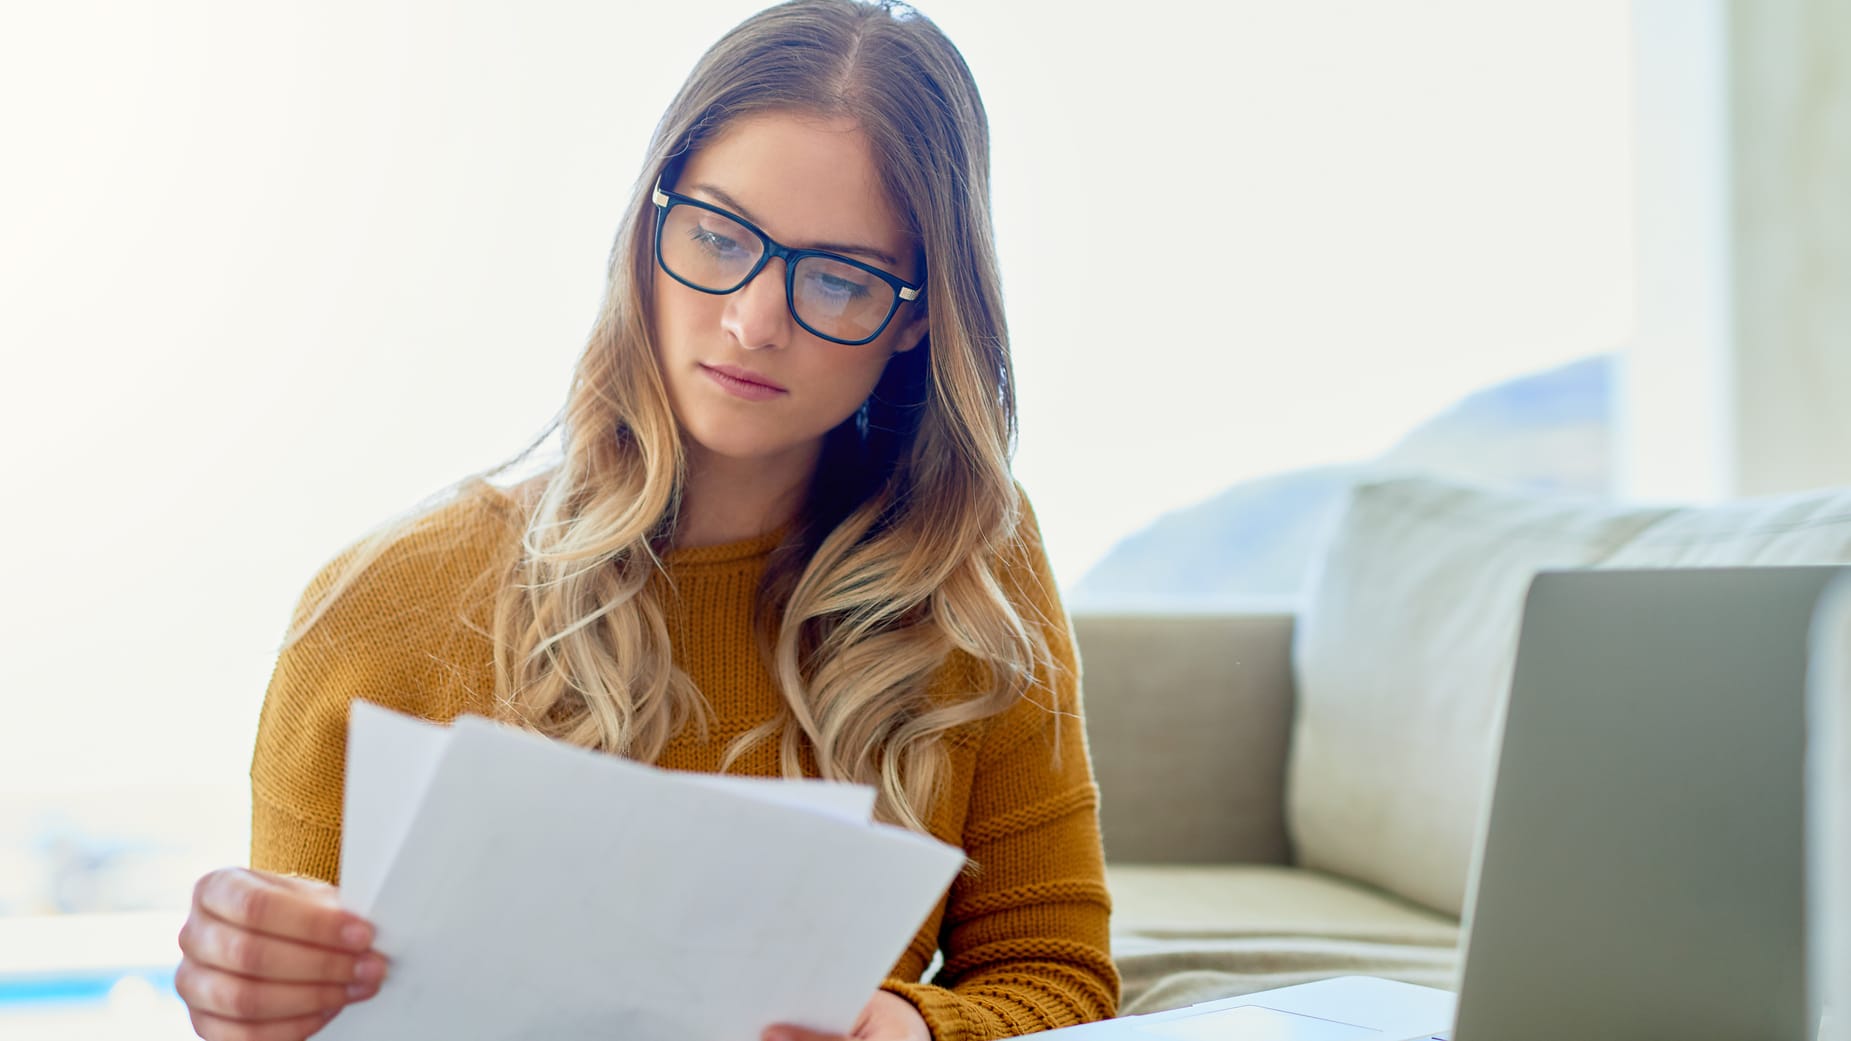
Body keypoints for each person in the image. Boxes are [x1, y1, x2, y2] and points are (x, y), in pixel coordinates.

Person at [172, 1, 1118, 1038]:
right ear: (646, 224)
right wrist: (256, 996)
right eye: (718, 235)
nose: (753, 322)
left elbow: (1055, 975)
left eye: (839, 277)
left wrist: (910, 1029)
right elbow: (288, 1005)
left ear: (917, 316)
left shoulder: (971, 566)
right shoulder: (385, 605)